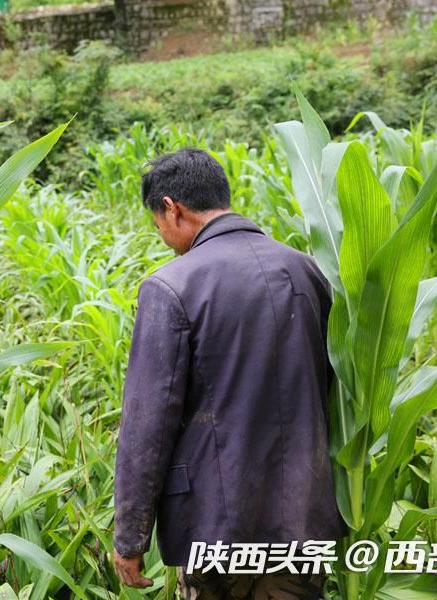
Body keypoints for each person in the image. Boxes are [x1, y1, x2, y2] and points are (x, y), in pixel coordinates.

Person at [112, 148, 347, 599]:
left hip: (214, 528)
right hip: (304, 519)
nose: (162, 234)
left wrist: (130, 537)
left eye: (157, 223)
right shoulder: (308, 272)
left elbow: (147, 427)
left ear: (171, 208)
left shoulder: (171, 287)